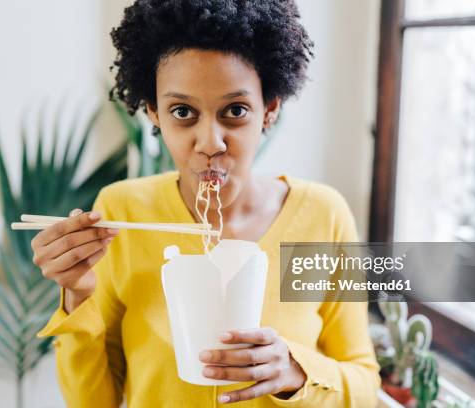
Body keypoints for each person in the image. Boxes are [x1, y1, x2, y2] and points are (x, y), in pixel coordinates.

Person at [33, 0, 380, 406]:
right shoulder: (122, 213)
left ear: (269, 110)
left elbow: (364, 385)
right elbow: (93, 401)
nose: (211, 142)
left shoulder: (323, 215)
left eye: (235, 111)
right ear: (153, 113)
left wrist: (294, 371)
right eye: (182, 111)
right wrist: (77, 295)